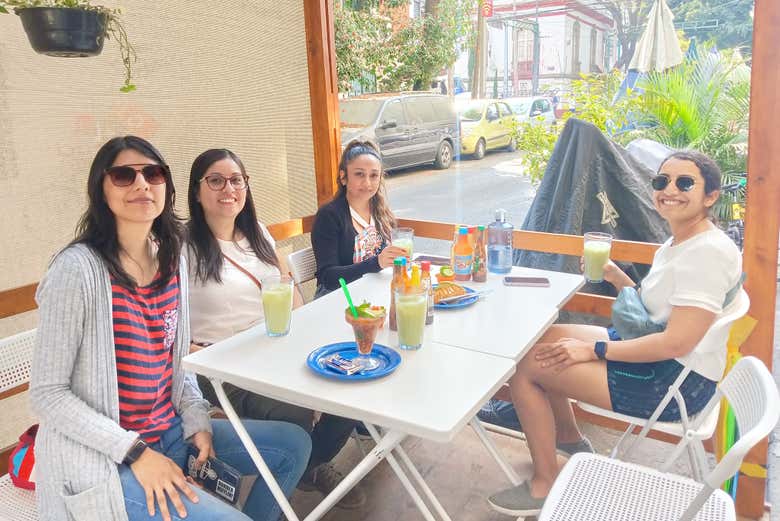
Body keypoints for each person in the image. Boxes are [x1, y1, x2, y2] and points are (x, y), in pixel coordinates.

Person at [30, 136, 311, 521]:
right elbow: (48, 394)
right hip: (108, 456)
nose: (142, 184)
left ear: (167, 187)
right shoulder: (77, 270)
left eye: (153, 173)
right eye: (124, 175)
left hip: (171, 428)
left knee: (293, 444)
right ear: (101, 189)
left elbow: (176, 359)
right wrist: (136, 452)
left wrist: (197, 419)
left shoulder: (169, 260)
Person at [487, 151, 743, 517]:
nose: (670, 190)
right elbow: (657, 311)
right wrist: (615, 275)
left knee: (527, 368)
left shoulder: (707, 255)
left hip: (673, 383)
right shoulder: (683, 241)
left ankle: (544, 482)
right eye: (662, 181)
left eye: (685, 182)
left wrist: (595, 350)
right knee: (542, 339)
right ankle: (570, 440)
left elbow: (676, 342)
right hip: (664, 359)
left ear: (711, 196)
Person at [185, 148, 367, 509]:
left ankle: (304, 466)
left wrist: (303, 335)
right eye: (216, 180)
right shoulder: (181, 248)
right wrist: (193, 354)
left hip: (275, 349)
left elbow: (287, 288)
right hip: (223, 366)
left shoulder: (258, 235)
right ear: (196, 190)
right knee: (294, 410)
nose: (229, 189)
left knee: (351, 387)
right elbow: (166, 320)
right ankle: (294, 478)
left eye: (236, 180)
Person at [311, 140, 407, 297]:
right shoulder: (329, 216)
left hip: (373, 294)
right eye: (359, 174)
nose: (367, 183)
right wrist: (377, 263)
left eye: (374, 175)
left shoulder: (381, 212)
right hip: (337, 298)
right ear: (343, 177)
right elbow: (327, 277)